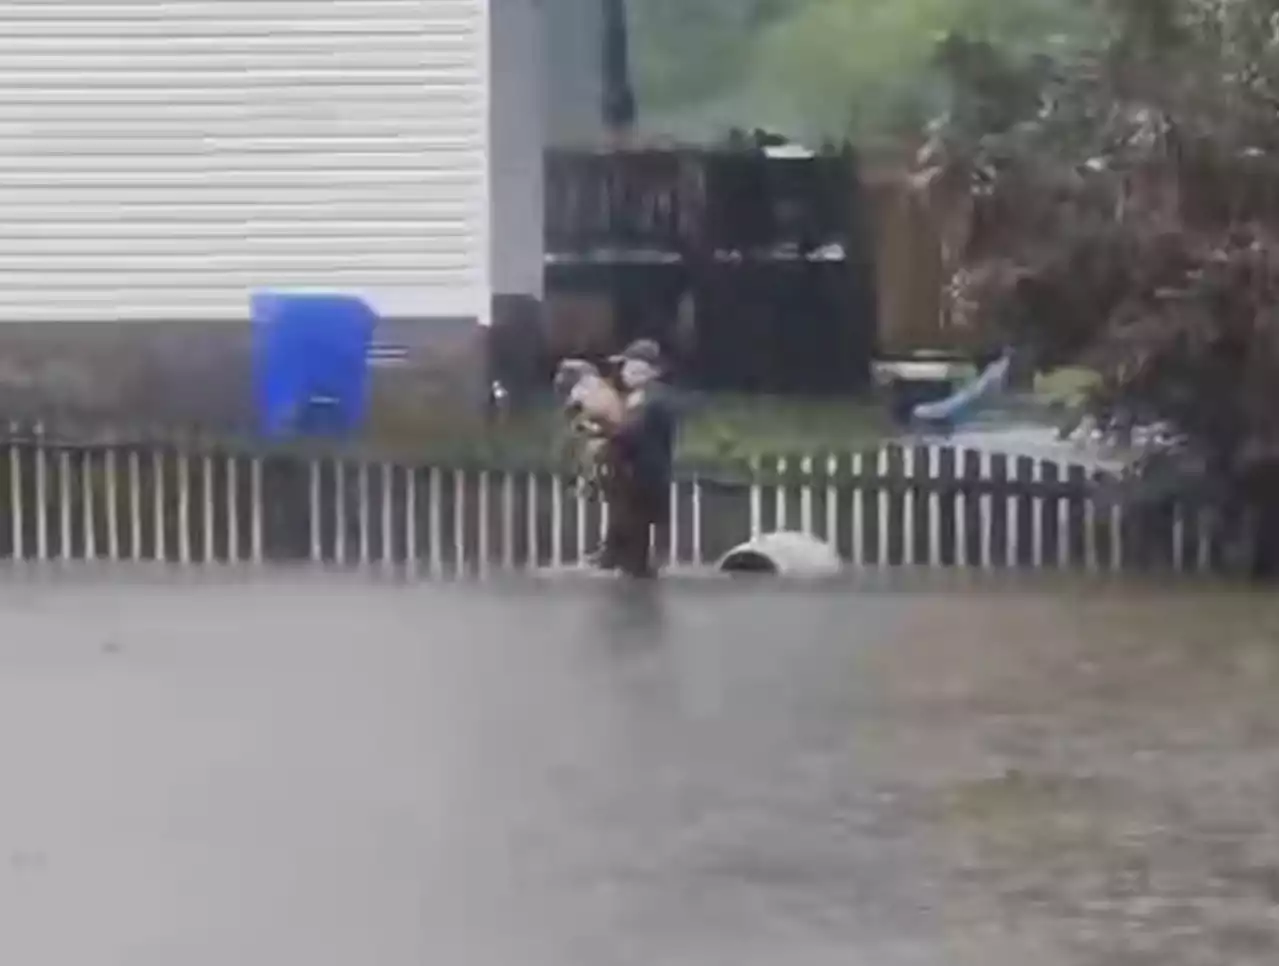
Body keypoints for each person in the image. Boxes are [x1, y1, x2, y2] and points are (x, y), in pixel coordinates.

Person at [595, 339, 677, 578]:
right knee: (626, 537)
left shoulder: (652, 399)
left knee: (633, 541)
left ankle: (631, 573)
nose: (625, 373)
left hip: (642, 481)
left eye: (631, 368)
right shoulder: (639, 397)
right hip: (635, 480)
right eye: (625, 368)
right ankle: (620, 564)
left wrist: (608, 432)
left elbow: (634, 434)